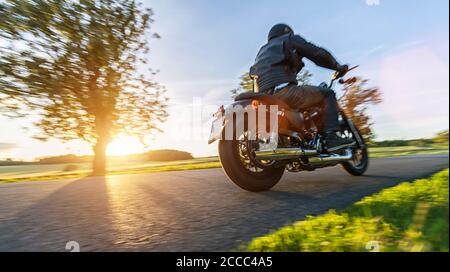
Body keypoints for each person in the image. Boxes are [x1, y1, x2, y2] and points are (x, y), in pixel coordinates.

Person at [249, 23, 355, 151]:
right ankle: (331, 137)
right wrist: (337, 66)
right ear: (287, 32)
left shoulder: (261, 52)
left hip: (263, 96)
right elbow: (317, 53)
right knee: (328, 93)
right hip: (285, 91)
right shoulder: (289, 39)